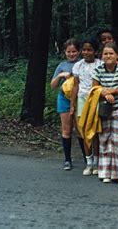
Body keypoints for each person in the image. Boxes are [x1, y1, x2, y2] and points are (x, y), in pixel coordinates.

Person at [91, 42, 118, 183]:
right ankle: (105, 172)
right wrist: (104, 93)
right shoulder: (98, 69)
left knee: (117, 140)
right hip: (103, 110)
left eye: (111, 53)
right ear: (101, 56)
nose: (108, 56)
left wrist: (110, 91)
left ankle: (117, 173)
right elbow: (95, 88)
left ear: (117, 55)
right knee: (104, 139)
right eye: (105, 53)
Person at [71, 39, 102, 175]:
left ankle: (96, 162)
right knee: (84, 133)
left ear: (95, 51)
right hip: (82, 99)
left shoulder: (100, 64)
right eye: (84, 50)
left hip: (95, 99)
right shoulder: (78, 66)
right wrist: (72, 104)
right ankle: (88, 162)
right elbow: (75, 85)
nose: (86, 52)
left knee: (94, 133)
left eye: (89, 50)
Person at [50, 38, 81, 171]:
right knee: (67, 130)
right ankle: (67, 159)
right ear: (65, 52)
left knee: (81, 130)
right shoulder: (62, 65)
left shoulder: (82, 63)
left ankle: (88, 157)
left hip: (80, 99)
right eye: (68, 51)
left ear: (78, 51)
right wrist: (61, 75)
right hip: (64, 98)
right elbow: (53, 85)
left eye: (74, 51)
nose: (71, 54)